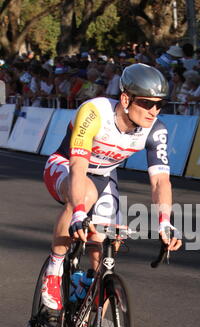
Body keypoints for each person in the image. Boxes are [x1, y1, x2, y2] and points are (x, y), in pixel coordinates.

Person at [42, 63, 182, 313]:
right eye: (147, 103)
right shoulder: (95, 112)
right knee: (84, 193)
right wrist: (79, 212)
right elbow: (77, 165)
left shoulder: (156, 129)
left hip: (104, 176)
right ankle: (54, 269)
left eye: (160, 104)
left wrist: (165, 222)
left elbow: (161, 180)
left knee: (108, 250)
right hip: (67, 167)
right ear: (126, 98)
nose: (154, 111)